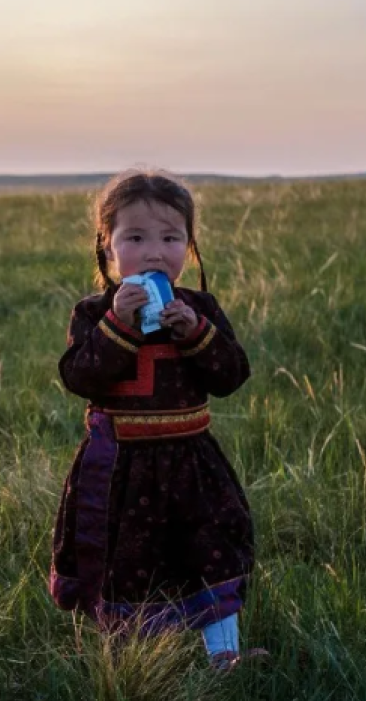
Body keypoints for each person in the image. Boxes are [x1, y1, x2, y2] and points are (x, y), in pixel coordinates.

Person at [49, 169, 264, 671]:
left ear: (189, 248)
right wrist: (118, 325)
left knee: (210, 554)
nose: (154, 252)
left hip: (192, 465)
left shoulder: (198, 308)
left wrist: (196, 333)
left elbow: (231, 374)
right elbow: (80, 376)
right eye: (136, 237)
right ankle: (125, 663)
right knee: (125, 564)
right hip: (120, 467)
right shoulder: (94, 312)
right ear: (107, 246)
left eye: (171, 238)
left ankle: (223, 656)